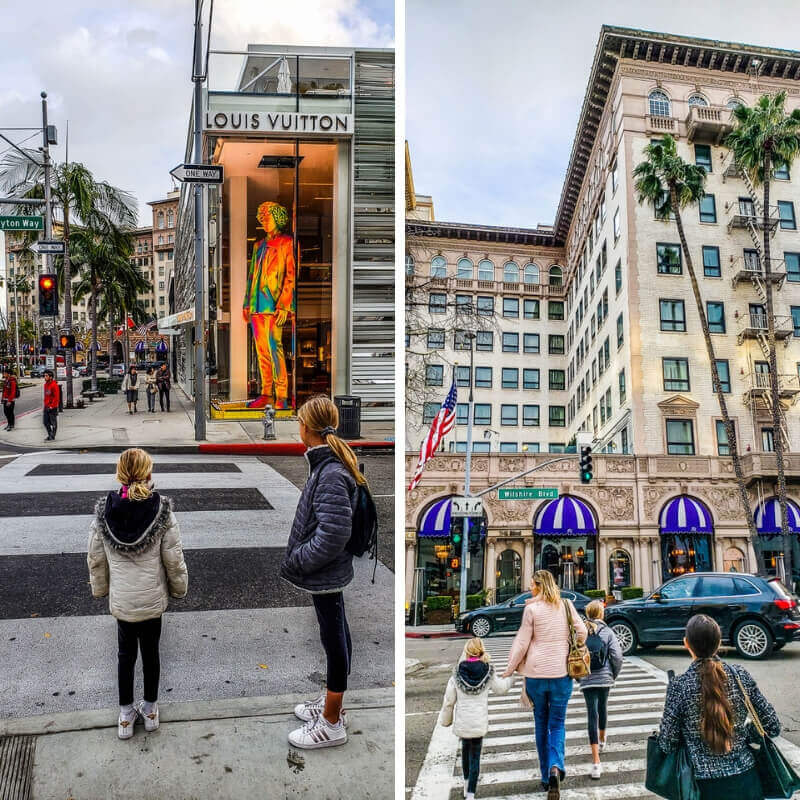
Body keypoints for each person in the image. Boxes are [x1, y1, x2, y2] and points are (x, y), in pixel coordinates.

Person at [280, 395, 366, 749]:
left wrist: (301, 558)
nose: (297, 426)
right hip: (329, 571)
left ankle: (331, 721)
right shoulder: (328, 463)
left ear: (308, 428)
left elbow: (333, 533)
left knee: (333, 640)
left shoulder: (329, 472)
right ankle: (333, 704)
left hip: (325, 570)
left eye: (299, 421)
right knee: (336, 632)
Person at [87, 448, 188, 740]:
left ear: (120, 473)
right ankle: (152, 710)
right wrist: (179, 588)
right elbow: (173, 557)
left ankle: (125, 715)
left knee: (124, 654)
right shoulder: (162, 510)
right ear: (148, 473)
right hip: (152, 600)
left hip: (123, 600)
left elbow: (95, 557)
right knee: (151, 652)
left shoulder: (105, 511)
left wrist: (101, 589)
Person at [658, 614, 780, 800]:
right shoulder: (740, 676)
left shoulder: (679, 686)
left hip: (701, 786)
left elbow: (667, 743)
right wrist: (745, 733)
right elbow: (772, 725)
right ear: (719, 642)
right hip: (747, 781)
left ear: (687, 644)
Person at [502, 569, 587, 800]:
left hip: (536, 675)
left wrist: (509, 668)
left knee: (541, 722)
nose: (530, 589)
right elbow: (583, 631)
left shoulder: (531, 610)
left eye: (532, 585)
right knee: (557, 724)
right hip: (561, 673)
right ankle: (555, 767)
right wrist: (570, 645)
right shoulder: (567, 606)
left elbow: (522, 642)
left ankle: (544, 776)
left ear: (539, 586)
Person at [439, 637, 513, 800]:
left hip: (463, 722)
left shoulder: (457, 672)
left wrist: (446, 719)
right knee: (475, 757)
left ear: (467, 651)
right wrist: (510, 678)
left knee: (465, 752)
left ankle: (466, 785)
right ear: (481, 651)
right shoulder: (488, 671)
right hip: (479, 722)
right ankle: (471, 793)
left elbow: (449, 700)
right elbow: (501, 689)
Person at [243, 200, 295, 410]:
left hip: (274, 307)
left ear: (277, 217)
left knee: (275, 350)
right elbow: (251, 276)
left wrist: (284, 305)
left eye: (267, 216)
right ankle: (266, 392)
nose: (264, 220)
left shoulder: (287, 243)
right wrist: (247, 303)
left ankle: (281, 394)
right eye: (262, 217)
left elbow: (290, 276)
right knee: (261, 351)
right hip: (257, 306)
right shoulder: (258, 246)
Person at [578, 600, 623, 779]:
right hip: (605, 677)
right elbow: (617, 656)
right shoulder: (608, 632)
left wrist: (578, 676)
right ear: (601, 614)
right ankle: (602, 741)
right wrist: (613, 674)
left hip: (587, 677)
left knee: (591, 714)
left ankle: (596, 762)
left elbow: (574, 654)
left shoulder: (581, 632)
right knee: (602, 708)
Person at [42, 370, 60, 441]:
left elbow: (56, 397)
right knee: (45, 422)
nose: (45, 377)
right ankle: (50, 434)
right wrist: (46, 404)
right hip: (46, 406)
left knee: (53, 423)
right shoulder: (45, 385)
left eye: (46, 376)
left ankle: (52, 436)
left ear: (51, 377)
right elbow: (46, 396)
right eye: (44, 376)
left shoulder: (54, 385)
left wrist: (52, 406)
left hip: (52, 407)